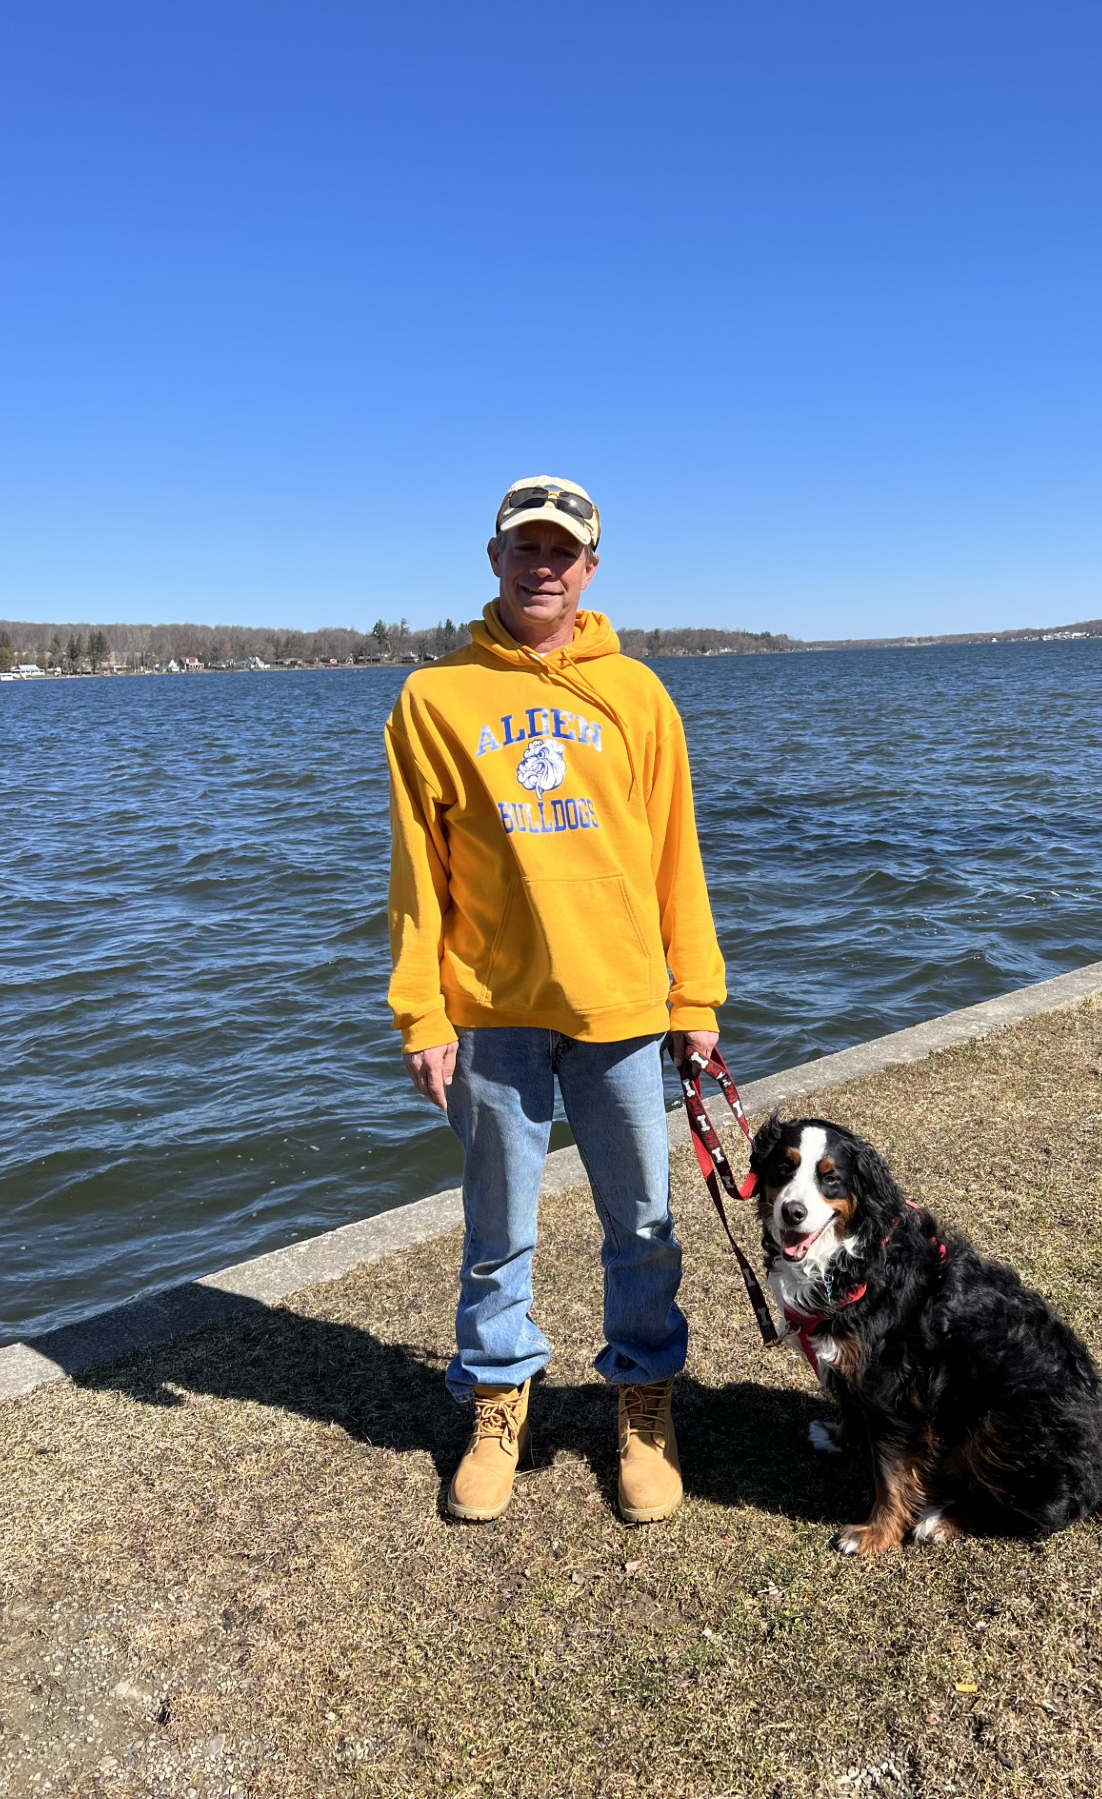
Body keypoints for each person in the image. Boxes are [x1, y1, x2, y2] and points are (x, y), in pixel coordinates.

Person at [384, 475, 725, 1525]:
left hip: (622, 1008)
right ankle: (498, 1398)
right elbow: (417, 875)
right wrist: (422, 1013)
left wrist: (696, 999)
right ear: (495, 561)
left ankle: (644, 1398)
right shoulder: (434, 698)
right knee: (497, 1228)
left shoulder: (638, 694)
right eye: (524, 548)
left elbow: (676, 858)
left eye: (561, 552)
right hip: (493, 1013)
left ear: (590, 569)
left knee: (645, 1221)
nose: (543, 567)